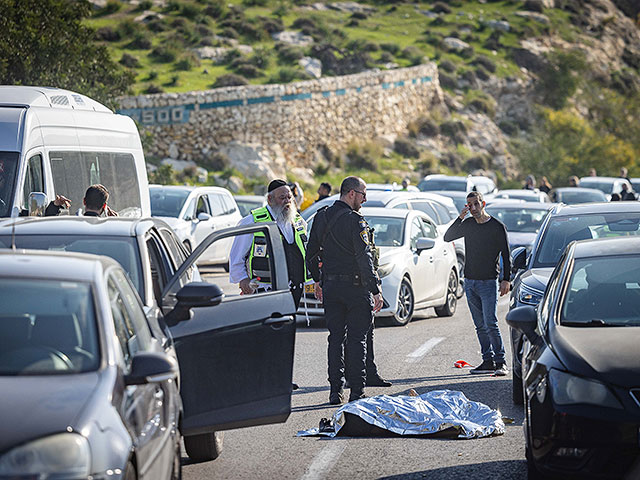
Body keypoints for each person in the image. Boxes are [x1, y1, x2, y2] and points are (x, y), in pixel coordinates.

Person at [306, 176, 384, 404]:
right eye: (363, 194)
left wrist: (318, 280)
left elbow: (310, 254)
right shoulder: (355, 221)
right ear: (351, 193)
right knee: (357, 340)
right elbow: (364, 257)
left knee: (335, 338)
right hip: (355, 288)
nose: (365, 199)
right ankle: (357, 392)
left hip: (331, 287)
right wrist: (375, 288)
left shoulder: (322, 217)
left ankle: (335, 391)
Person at [444, 191, 510, 376]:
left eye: (475, 204)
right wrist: (460, 217)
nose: (473, 208)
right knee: (479, 325)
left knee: (491, 323)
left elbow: (506, 253)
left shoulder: (497, 227)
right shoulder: (468, 224)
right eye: (469, 205)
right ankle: (487, 360)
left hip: (489, 282)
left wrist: (506, 279)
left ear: (483, 203)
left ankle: (501, 361)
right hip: (470, 281)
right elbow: (447, 237)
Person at [229, 179, 309, 309]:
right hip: (264, 289)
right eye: (282, 198)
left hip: (294, 287)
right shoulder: (252, 222)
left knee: (288, 324)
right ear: (270, 199)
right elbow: (236, 256)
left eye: (289, 197)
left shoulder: (298, 221)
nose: (287, 201)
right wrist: (243, 279)